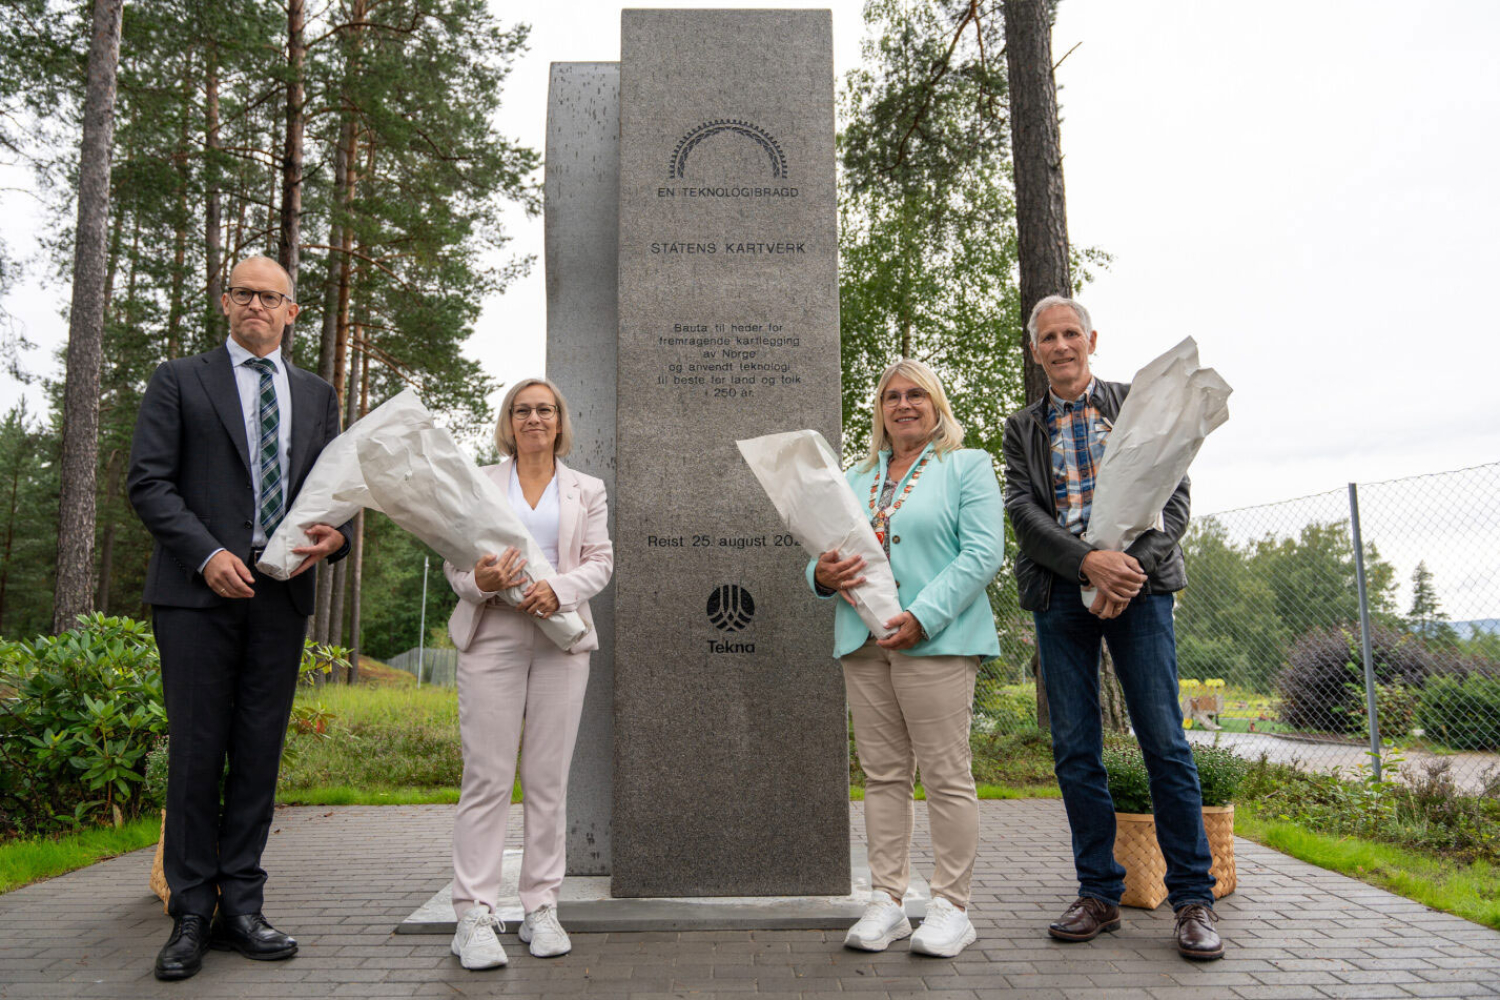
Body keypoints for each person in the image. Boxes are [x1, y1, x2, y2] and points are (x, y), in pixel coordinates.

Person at [127, 256, 353, 981]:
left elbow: (338, 490)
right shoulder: (179, 380)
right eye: (244, 293)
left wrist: (339, 536)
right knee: (197, 752)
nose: (256, 304)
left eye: (271, 296)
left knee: (257, 753)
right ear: (226, 303)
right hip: (198, 596)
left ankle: (243, 908)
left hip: (278, 597)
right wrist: (205, 554)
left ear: (293, 312)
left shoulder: (317, 395)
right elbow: (149, 482)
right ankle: (191, 912)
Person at [1001, 294, 1223, 960]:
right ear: (1035, 349)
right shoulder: (1022, 427)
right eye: (1049, 337)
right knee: (1075, 750)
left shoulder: (1133, 402)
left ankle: (1192, 900)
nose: (1061, 346)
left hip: (1140, 593)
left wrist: (1127, 568)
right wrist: (1087, 562)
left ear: (1092, 341)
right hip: (1060, 596)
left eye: (1072, 333)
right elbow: (1023, 511)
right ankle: (1099, 893)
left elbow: (1174, 495)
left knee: (1164, 742)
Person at [808, 359, 1004, 958]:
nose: (903, 404)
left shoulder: (965, 467)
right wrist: (818, 573)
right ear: (880, 410)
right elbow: (821, 543)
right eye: (891, 396)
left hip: (934, 640)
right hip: (863, 642)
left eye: (916, 394)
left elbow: (982, 554)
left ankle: (950, 906)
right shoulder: (854, 475)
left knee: (946, 776)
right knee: (883, 776)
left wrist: (923, 615)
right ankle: (887, 901)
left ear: (937, 404)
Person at [443, 377, 613, 970]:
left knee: (547, 782)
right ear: (508, 421)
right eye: (523, 410)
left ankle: (540, 906)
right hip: (492, 636)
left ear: (560, 421)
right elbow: (455, 565)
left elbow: (600, 562)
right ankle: (474, 916)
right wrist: (478, 583)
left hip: (560, 640)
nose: (534, 418)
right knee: (486, 778)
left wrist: (556, 590)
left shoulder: (586, 488)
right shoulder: (480, 482)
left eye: (545, 410)